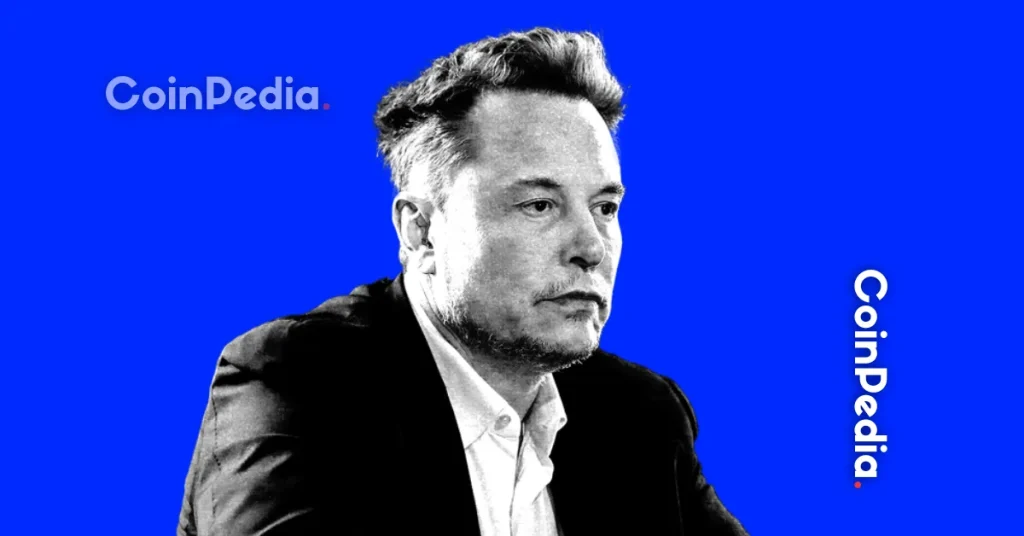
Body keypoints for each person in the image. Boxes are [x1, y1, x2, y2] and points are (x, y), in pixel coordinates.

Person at [178, 27, 748, 536]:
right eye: (539, 205)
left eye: (604, 207)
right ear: (422, 231)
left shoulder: (639, 416)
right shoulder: (298, 380)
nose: (591, 248)